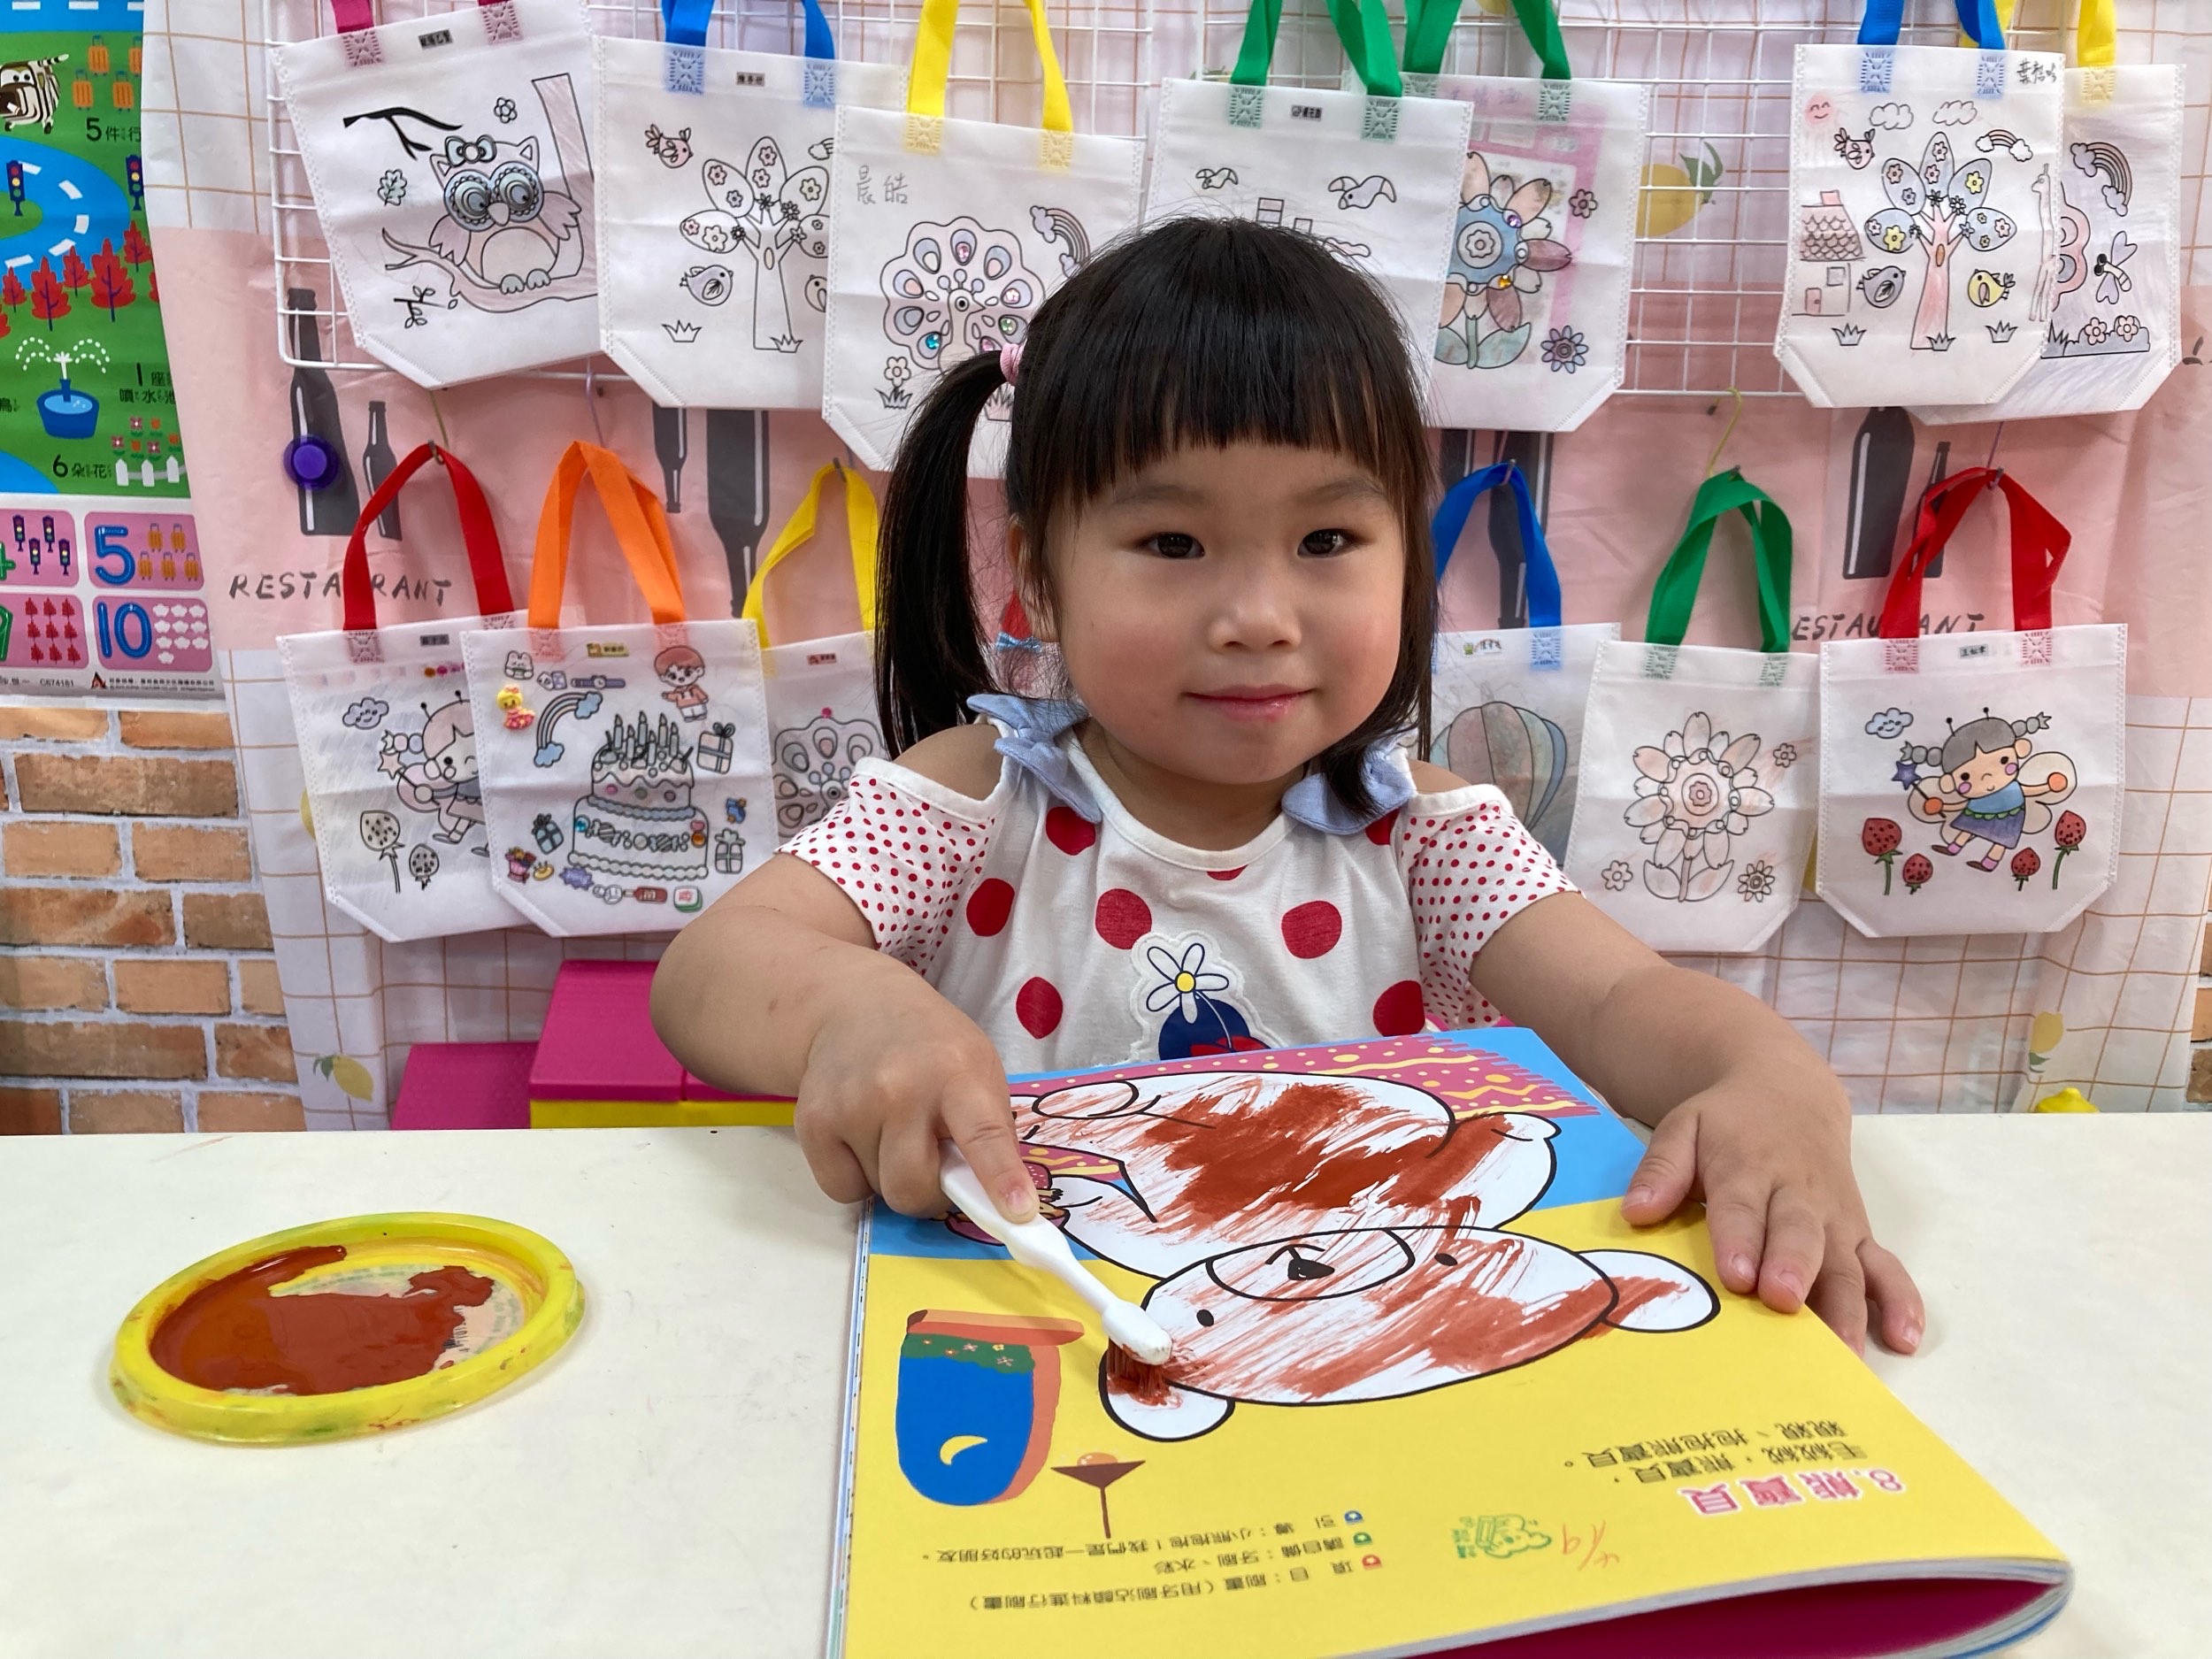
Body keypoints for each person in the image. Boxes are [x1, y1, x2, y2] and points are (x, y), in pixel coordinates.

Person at [654, 218, 1922, 1356]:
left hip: (1368, 1335)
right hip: (1050, 1329)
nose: (1259, 616)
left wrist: (1774, 1084)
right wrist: (855, 1011)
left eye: (1327, 540)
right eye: (1172, 542)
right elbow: (712, 970)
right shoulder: (977, 798)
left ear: (1405, 555)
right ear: (1040, 576)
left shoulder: (1425, 834)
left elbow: (1624, 1001)